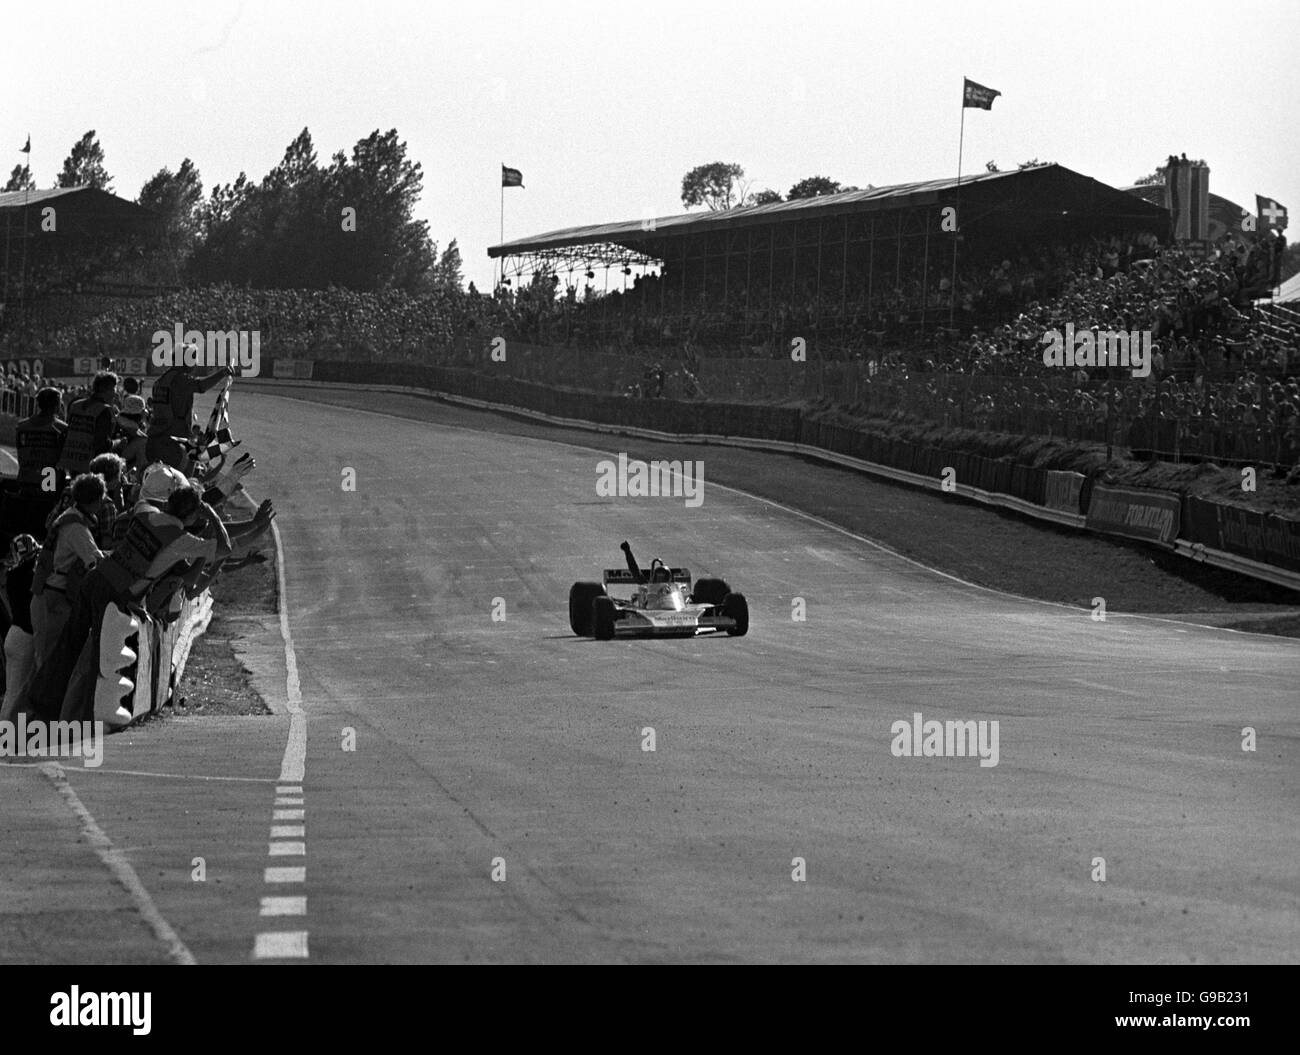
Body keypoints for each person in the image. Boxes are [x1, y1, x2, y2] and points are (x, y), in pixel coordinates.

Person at [30, 473, 106, 673]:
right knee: (49, 662)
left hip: (46, 591)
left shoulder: (68, 516)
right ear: (96, 500)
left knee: (43, 659)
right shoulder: (76, 527)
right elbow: (95, 561)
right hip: (56, 595)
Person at [147, 362, 233, 472]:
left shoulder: (161, 381)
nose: (195, 364)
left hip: (155, 437)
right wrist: (223, 373)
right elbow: (201, 386)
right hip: (172, 441)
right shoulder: (180, 379)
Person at [0, 535, 39, 722]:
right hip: (24, 637)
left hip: (15, 634)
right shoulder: (28, 574)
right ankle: (5, 737)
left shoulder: (13, 574)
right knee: (17, 693)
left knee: (12, 691)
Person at [57, 372, 119, 477]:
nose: (115, 394)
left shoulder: (75, 405)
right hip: (90, 465)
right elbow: (101, 444)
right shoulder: (104, 410)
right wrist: (118, 443)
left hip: (71, 461)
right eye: (114, 389)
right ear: (107, 390)